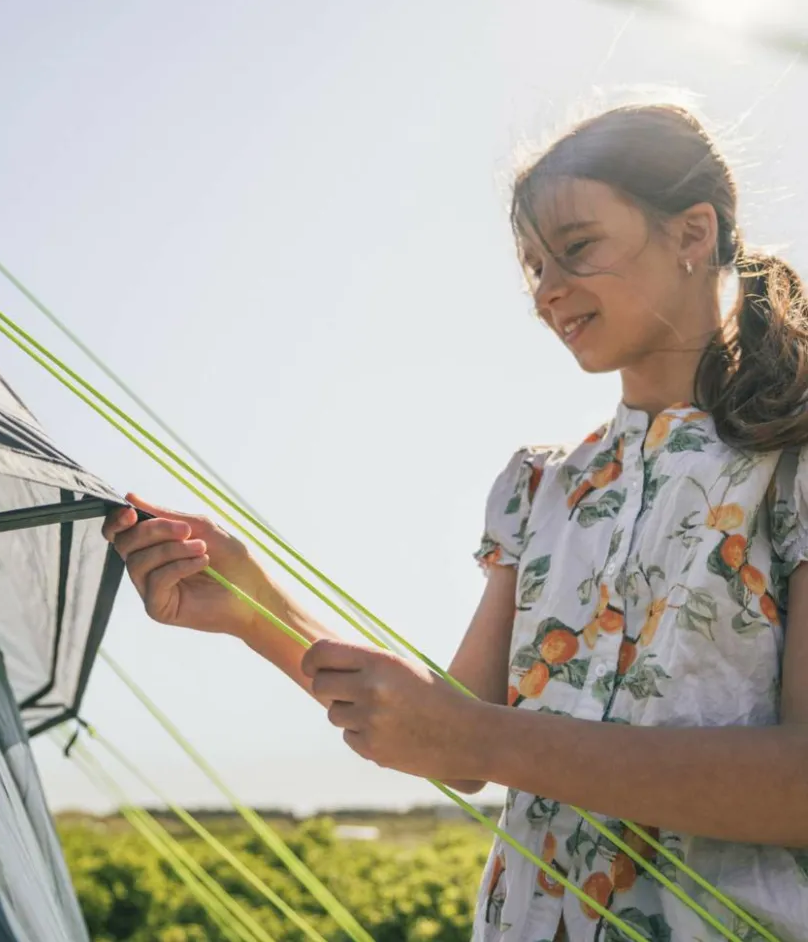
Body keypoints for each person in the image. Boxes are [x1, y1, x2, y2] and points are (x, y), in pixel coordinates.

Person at [103, 104, 808, 942]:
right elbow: (451, 736)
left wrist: (484, 738)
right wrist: (253, 607)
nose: (547, 289)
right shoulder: (541, 488)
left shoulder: (793, 458)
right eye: (533, 266)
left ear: (693, 232)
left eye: (577, 247)